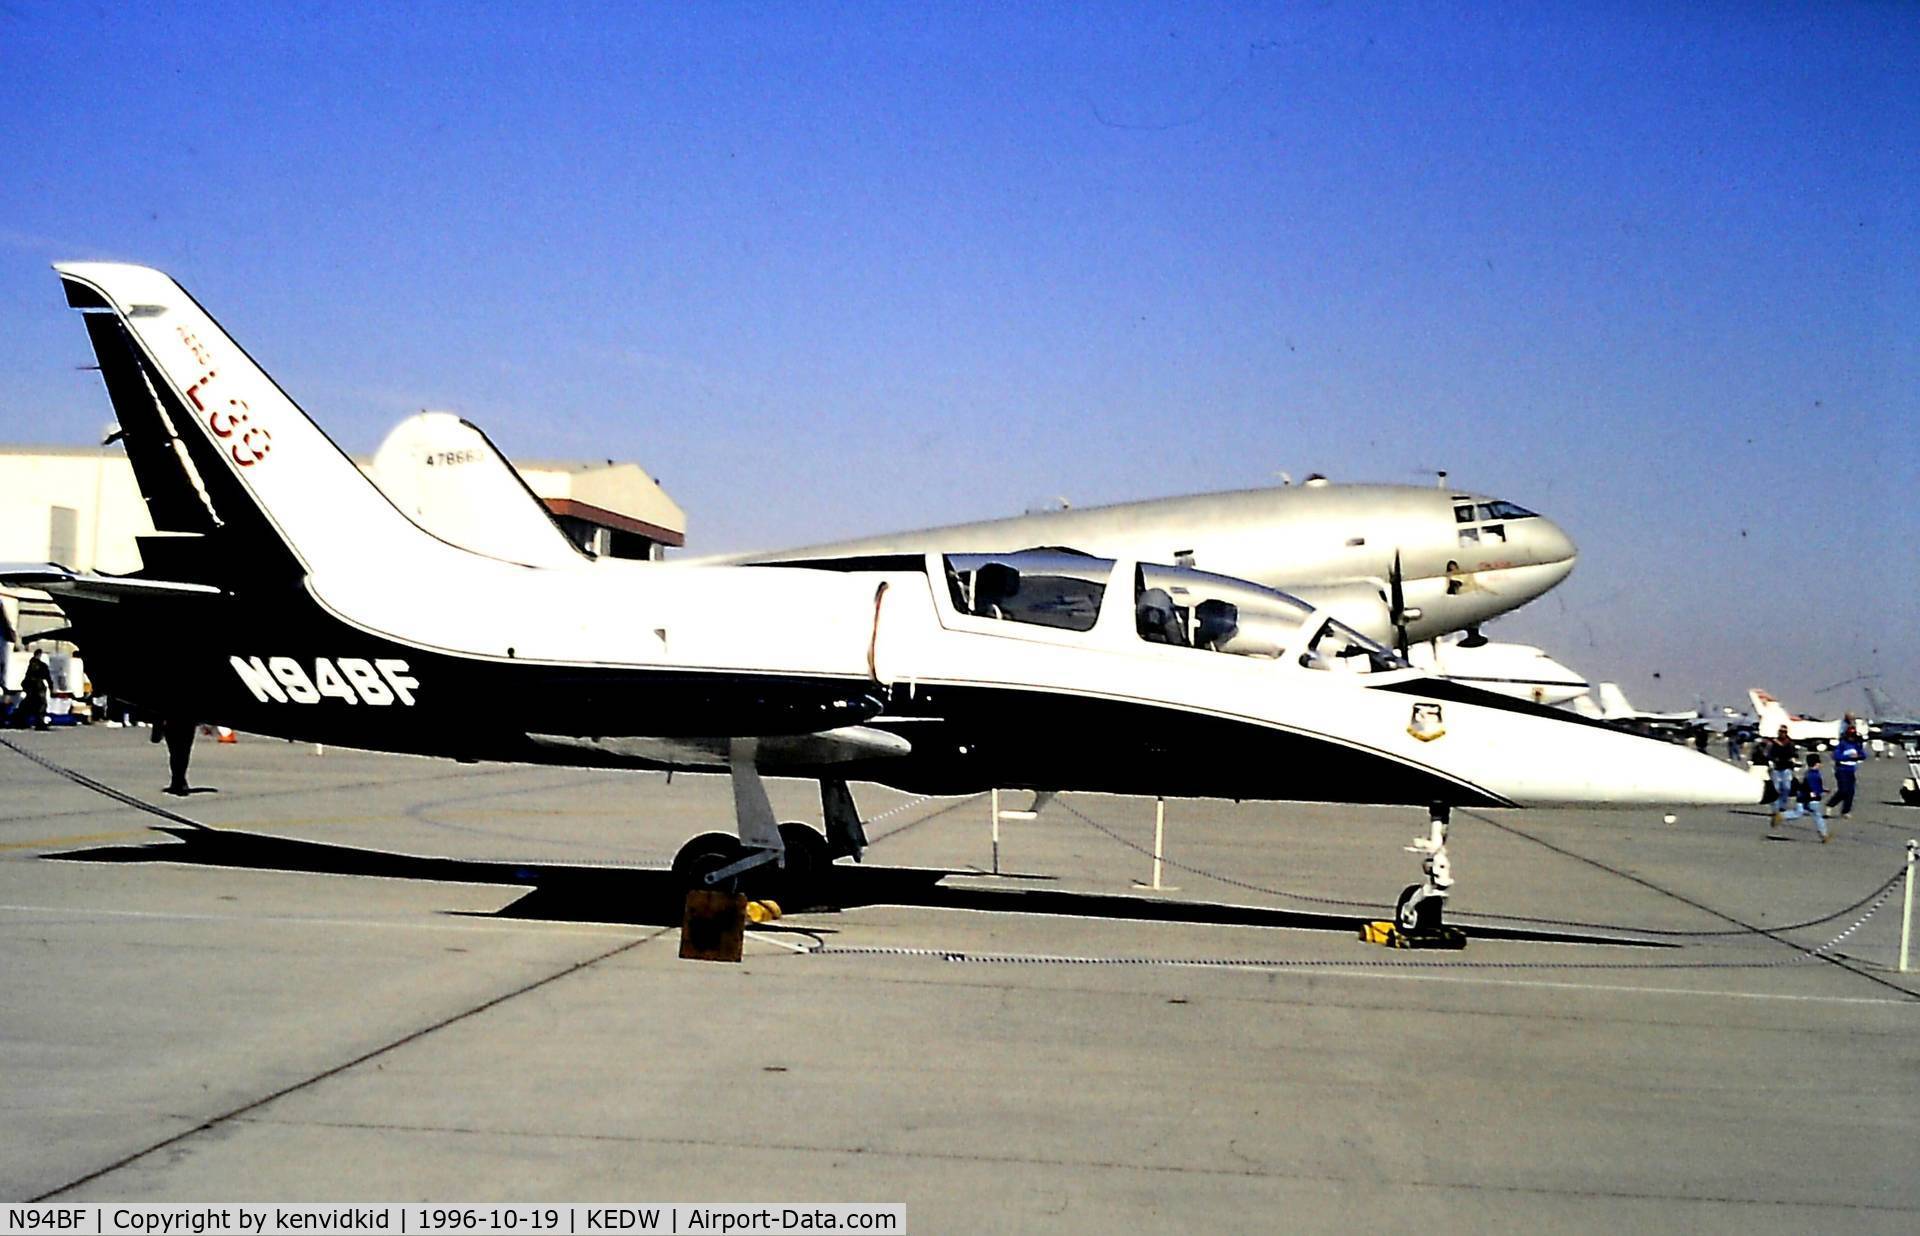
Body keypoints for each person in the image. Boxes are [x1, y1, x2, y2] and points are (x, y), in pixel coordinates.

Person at [1781, 751, 1829, 842]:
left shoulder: (1808, 773)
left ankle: (1782, 816)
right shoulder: (1814, 774)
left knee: (1798, 813)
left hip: (1802, 797)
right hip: (1811, 799)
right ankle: (1824, 834)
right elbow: (1813, 787)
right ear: (1816, 763)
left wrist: (1822, 790)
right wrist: (1818, 792)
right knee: (1817, 815)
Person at [1764, 726, 1797, 831]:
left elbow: (1794, 754)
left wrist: (1793, 761)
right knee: (1776, 788)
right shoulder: (1773, 743)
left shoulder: (1790, 743)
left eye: (1784, 732)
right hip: (1776, 768)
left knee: (1787, 787)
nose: (1782, 734)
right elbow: (1768, 754)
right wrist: (1771, 762)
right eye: (1781, 732)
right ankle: (1775, 809)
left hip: (1786, 768)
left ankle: (1782, 806)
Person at [1831, 727, 1864, 818]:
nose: (1851, 738)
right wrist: (1849, 757)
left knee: (1851, 791)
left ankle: (1846, 811)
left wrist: (1858, 756)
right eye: (1850, 736)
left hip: (1851, 770)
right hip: (1841, 769)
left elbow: (1863, 755)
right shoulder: (1842, 744)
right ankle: (1831, 804)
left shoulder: (1856, 744)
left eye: (1853, 736)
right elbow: (1836, 756)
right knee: (1843, 790)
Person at [20, 650, 52, 731]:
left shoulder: (31, 665)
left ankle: (22, 721)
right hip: (38, 687)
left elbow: (27, 677)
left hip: (31, 687)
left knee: (29, 704)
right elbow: (47, 677)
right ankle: (40, 723)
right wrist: (51, 687)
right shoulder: (42, 665)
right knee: (41, 705)